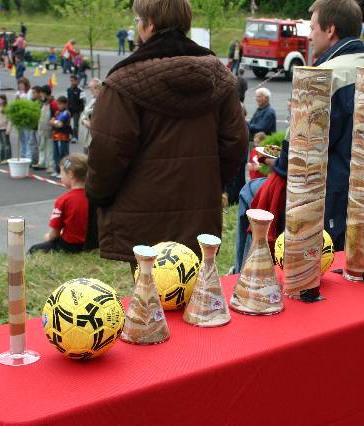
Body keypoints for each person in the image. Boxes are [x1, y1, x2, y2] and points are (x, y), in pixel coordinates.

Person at [234, 0, 364, 279]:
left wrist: (277, 163)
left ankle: (247, 276)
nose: (310, 36)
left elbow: (296, 156)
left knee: (250, 193)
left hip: (326, 205)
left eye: (313, 28)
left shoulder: (324, 76)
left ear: (330, 30)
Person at [86, 0, 247, 264]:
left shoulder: (123, 82)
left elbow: (107, 151)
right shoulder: (220, 77)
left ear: (149, 25)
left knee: (146, 286)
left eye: (138, 21)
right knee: (195, 284)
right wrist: (208, 183)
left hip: (141, 214)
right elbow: (236, 143)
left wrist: (98, 195)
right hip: (198, 211)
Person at [29, 154, 89, 254]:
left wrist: (48, 237)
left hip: (71, 246)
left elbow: (54, 234)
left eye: (61, 173)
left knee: (34, 249)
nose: (61, 176)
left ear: (70, 174)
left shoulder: (63, 200)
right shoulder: (95, 197)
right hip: (92, 244)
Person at [35, 85, 59, 174]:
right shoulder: (43, 103)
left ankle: (50, 166)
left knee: (50, 148)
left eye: (41, 93)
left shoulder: (53, 104)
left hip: (50, 129)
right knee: (41, 146)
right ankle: (41, 162)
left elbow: (56, 116)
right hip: (42, 128)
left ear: (45, 93)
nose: (41, 95)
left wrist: (54, 127)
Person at [51, 96, 72, 176]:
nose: (59, 106)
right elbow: (51, 122)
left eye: (60, 104)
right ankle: (57, 170)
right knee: (56, 154)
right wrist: (55, 122)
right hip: (56, 136)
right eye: (58, 104)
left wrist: (54, 122)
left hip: (63, 136)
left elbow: (60, 124)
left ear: (65, 104)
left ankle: (64, 172)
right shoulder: (57, 112)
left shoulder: (66, 113)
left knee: (63, 155)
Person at [81, 78, 101, 154]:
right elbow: (83, 113)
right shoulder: (92, 99)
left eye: (92, 89)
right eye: (91, 89)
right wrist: (84, 121)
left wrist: (86, 121)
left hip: (94, 137)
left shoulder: (101, 101)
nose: (91, 91)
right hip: (87, 135)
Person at [66, 74, 85, 143]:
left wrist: (81, 110)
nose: (71, 82)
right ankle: (70, 135)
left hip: (77, 110)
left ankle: (75, 137)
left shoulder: (80, 90)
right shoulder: (69, 90)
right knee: (67, 123)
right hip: (69, 109)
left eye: (73, 81)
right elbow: (67, 100)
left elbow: (82, 101)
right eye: (70, 81)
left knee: (75, 124)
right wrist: (66, 108)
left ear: (76, 81)